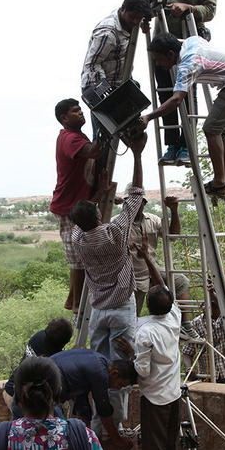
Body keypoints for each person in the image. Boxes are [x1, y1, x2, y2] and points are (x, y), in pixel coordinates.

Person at [143, 34, 225, 196]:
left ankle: (219, 182)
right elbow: (199, 37)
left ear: (170, 54)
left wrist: (148, 117)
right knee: (220, 132)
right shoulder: (191, 42)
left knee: (211, 130)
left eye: (158, 59)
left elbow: (176, 100)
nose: (158, 64)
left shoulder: (187, 65)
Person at [70, 132, 147, 361]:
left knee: (99, 363)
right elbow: (135, 195)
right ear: (97, 214)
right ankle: (117, 398)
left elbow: (82, 222)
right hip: (122, 306)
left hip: (98, 309)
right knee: (121, 365)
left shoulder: (79, 240)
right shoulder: (116, 232)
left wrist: (100, 194)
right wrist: (137, 154)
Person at [117, 250, 183, 450]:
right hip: (173, 393)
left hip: (155, 397)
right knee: (169, 445)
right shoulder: (175, 316)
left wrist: (131, 353)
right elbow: (162, 284)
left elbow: (142, 370)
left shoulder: (145, 331)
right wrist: (147, 258)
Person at [157, 0, 218, 165]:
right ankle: (172, 143)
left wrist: (189, 7)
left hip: (189, 41)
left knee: (187, 94)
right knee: (164, 90)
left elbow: (210, 11)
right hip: (164, 40)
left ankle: (186, 144)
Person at [2, 347, 138, 450]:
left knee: (28, 437)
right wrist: (117, 440)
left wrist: (86, 432)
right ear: (115, 373)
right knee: (57, 437)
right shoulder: (100, 373)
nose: (118, 389)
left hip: (33, 392)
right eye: (120, 384)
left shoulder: (98, 360)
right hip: (36, 396)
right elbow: (104, 410)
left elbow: (82, 401)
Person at [49, 99, 100, 314]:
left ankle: (74, 301)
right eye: (74, 111)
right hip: (69, 208)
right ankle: (77, 304)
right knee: (79, 260)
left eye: (80, 109)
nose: (80, 112)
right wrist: (105, 124)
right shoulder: (69, 138)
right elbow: (94, 152)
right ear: (64, 118)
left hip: (80, 205)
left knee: (84, 258)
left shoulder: (77, 136)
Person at [81, 0, 152, 136]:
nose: (135, 22)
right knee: (105, 138)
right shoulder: (107, 32)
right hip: (98, 87)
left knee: (136, 133)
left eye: (139, 19)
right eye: (133, 17)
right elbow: (92, 65)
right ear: (123, 9)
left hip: (119, 83)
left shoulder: (132, 23)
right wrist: (108, 95)